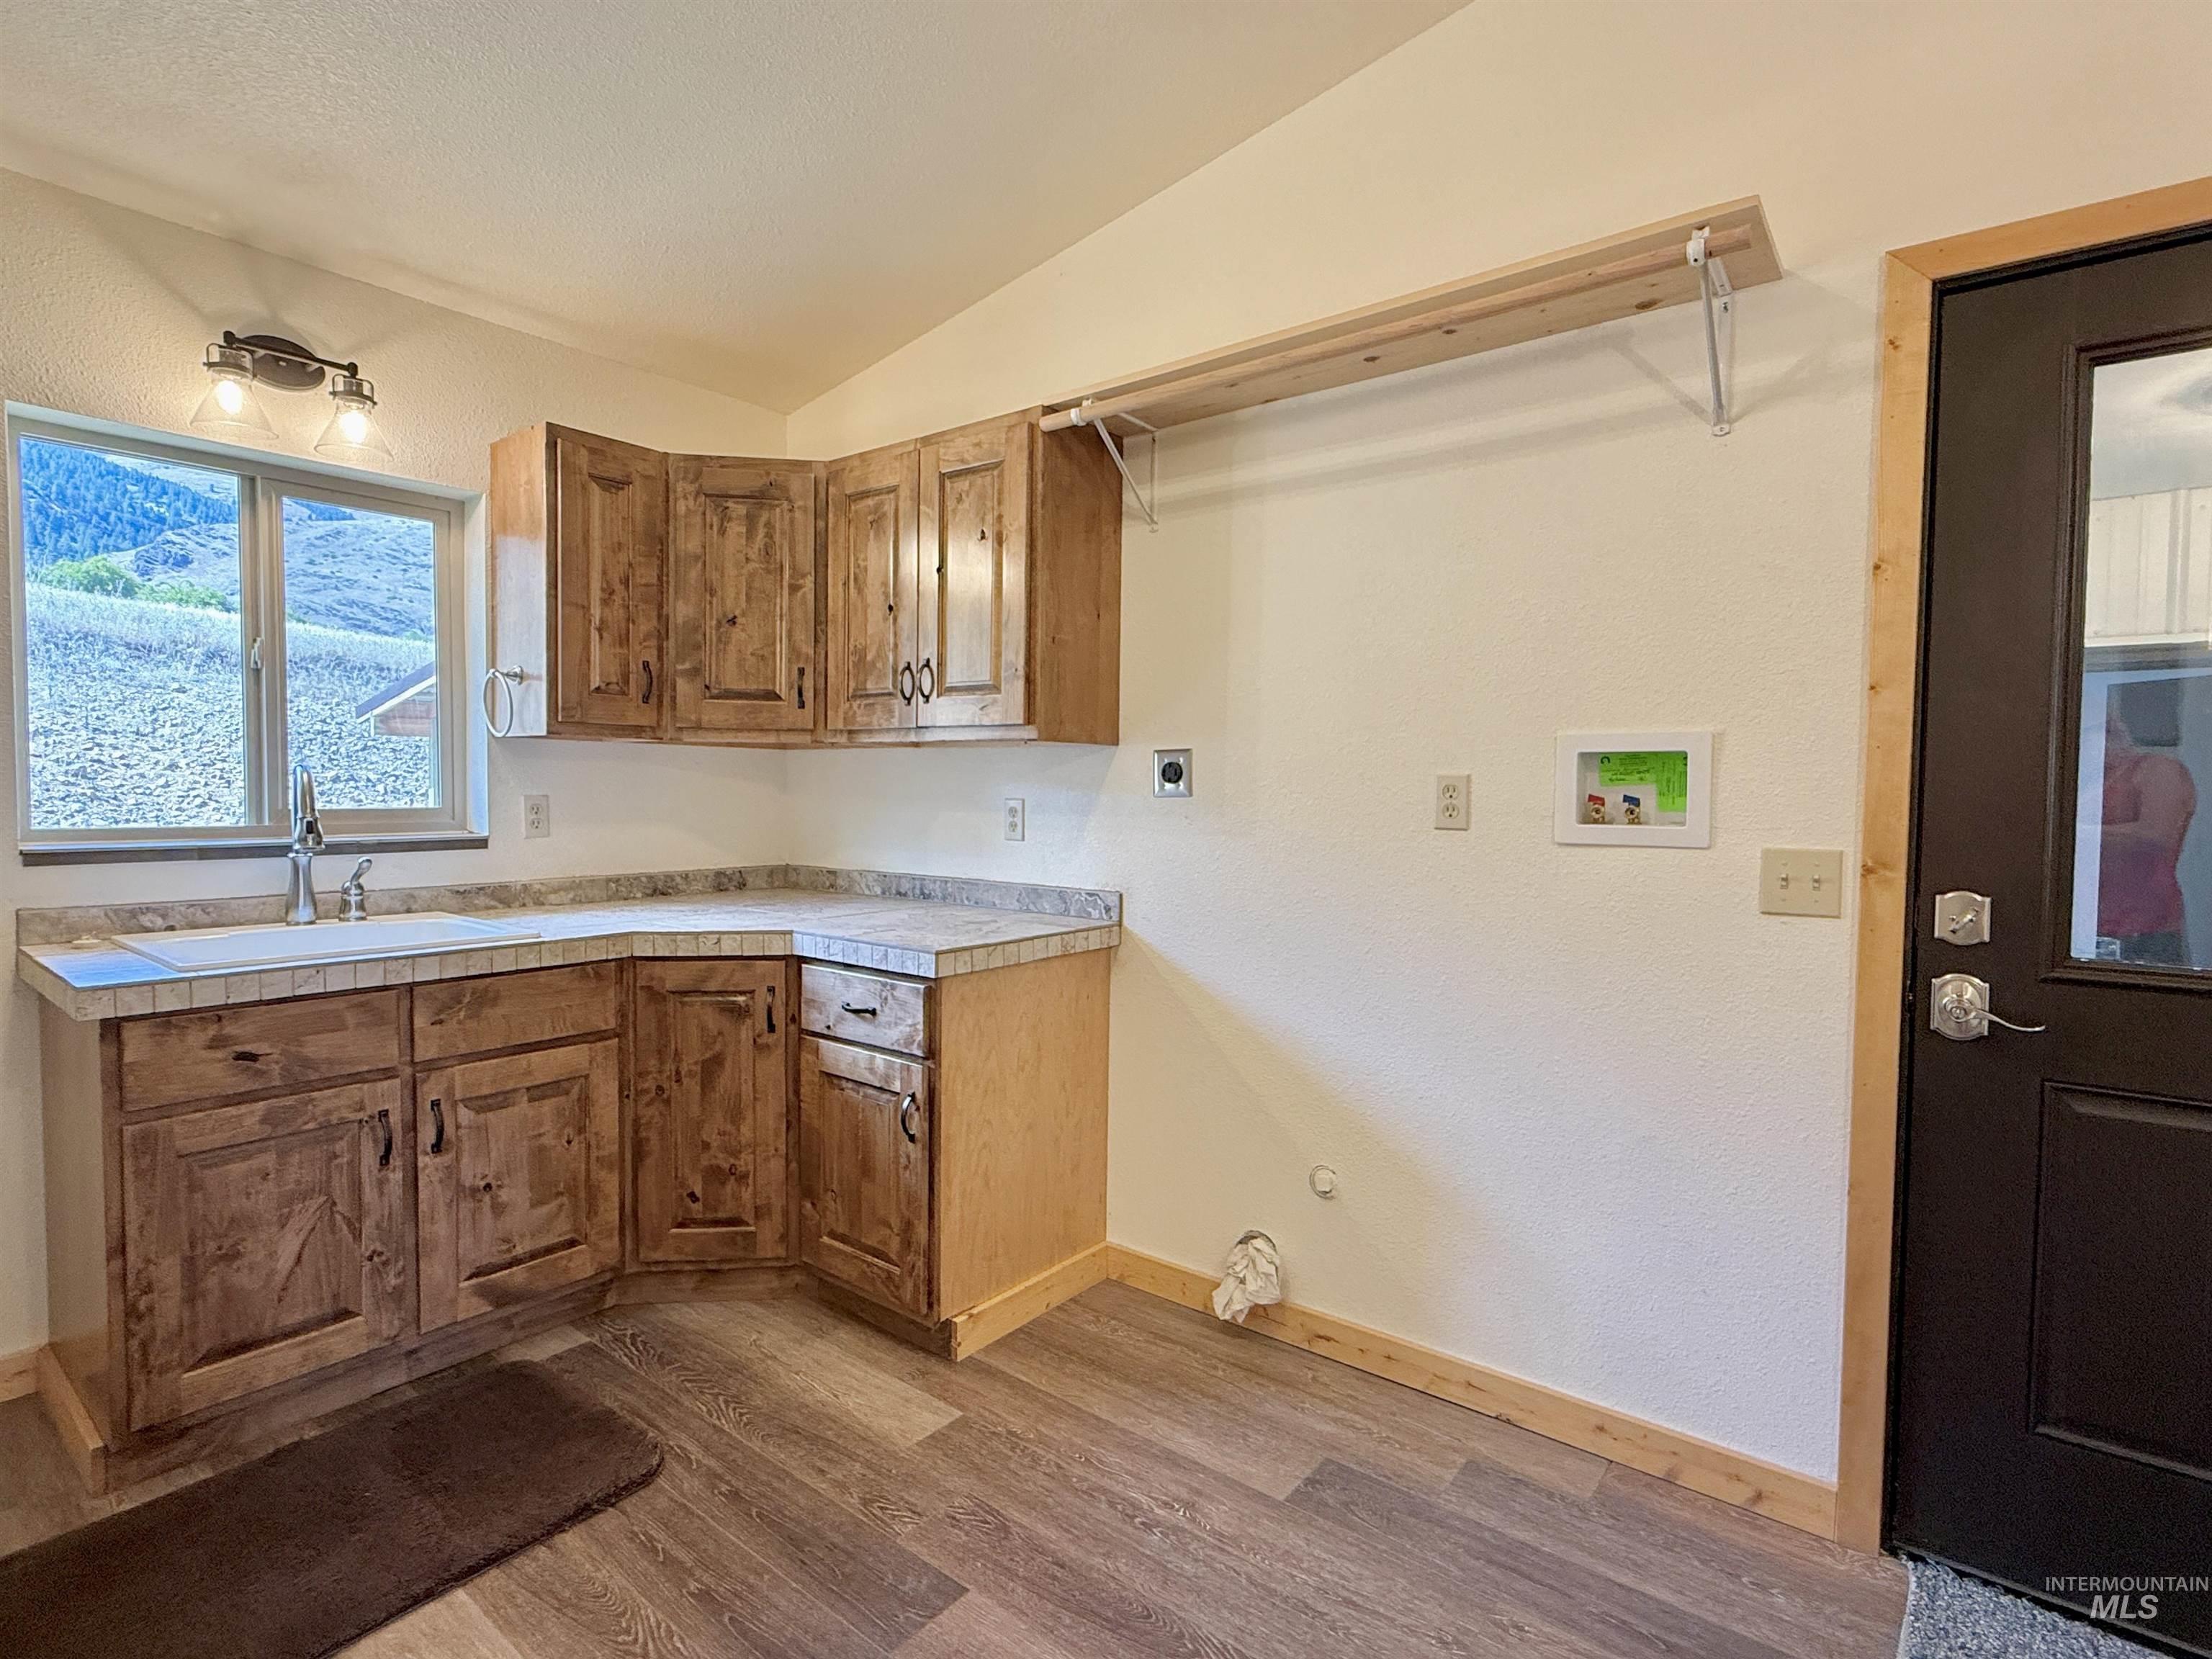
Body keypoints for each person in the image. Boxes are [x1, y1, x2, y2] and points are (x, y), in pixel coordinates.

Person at [2098, 699, 2198, 966]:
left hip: (2147, 934)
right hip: (2087, 929)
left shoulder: (2157, 769)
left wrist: (2078, 834)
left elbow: (2155, 836)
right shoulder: (2085, 781)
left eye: (2106, 729)